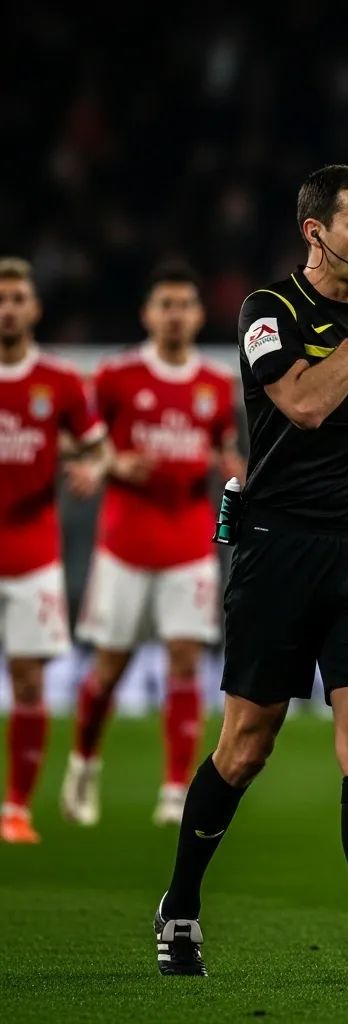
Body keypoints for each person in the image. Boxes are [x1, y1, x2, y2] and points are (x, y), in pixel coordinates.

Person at [152, 164, 348, 982]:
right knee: (245, 747)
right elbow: (303, 404)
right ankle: (180, 903)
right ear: (316, 232)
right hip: (280, 551)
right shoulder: (271, 312)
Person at [61, 262, 244, 828]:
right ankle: (84, 765)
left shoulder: (215, 384)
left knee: (185, 664)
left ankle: (173, 790)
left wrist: (236, 469)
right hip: (124, 546)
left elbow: (225, 449)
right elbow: (78, 442)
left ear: (197, 314)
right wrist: (110, 463)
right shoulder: (116, 377)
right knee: (109, 666)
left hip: (189, 544)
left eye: (184, 305)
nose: (174, 315)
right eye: (164, 305)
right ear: (147, 314)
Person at [0, 256, 107, 843]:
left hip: (31, 554)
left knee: (29, 683)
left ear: (34, 308)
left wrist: (91, 468)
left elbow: (95, 447)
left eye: (18, 297)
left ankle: (15, 808)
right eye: (1, 298)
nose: (8, 308)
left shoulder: (61, 382)